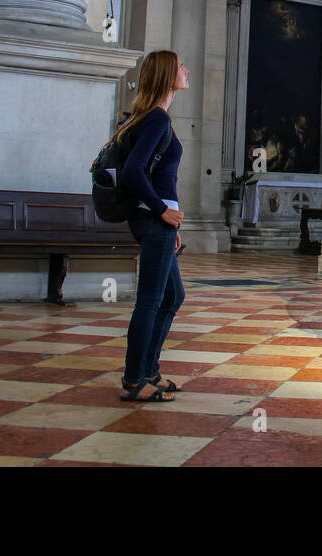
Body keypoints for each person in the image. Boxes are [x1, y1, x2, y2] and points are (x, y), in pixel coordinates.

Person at [111, 50, 189, 402]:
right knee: (151, 299)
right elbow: (132, 172)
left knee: (173, 295)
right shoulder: (156, 119)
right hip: (153, 218)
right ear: (166, 76)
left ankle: (149, 369)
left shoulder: (154, 118)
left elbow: (156, 176)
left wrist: (169, 220)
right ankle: (133, 378)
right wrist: (161, 211)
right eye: (180, 67)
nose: (185, 71)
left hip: (159, 221)